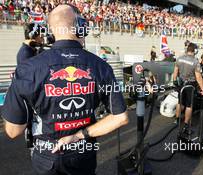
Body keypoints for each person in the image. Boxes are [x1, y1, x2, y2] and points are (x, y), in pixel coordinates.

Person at [2, 4, 128, 175]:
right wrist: (79, 135)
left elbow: (13, 130)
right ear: (80, 26)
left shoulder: (27, 69)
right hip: (83, 155)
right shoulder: (101, 67)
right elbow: (120, 117)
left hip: (47, 157)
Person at [173, 43, 203, 133]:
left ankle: (177, 119)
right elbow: (198, 77)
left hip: (181, 83)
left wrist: (175, 80)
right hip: (190, 85)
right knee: (189, 105)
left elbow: (175, 70)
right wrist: (202, 89)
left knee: (180, 102)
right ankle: (186, 123)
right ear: (195, 51)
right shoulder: (195, 61)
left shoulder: (179, 58)